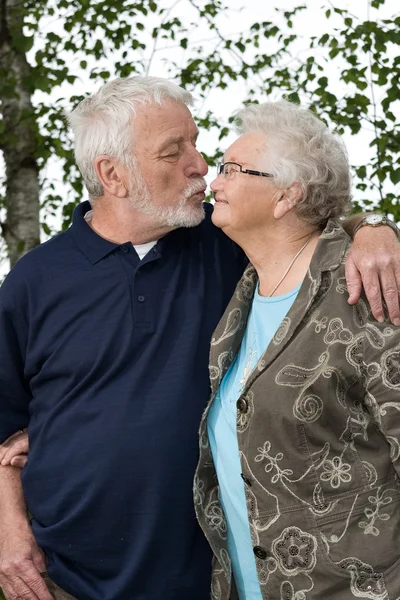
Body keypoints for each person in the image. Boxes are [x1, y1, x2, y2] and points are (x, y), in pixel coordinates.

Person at [0, 77, 398, 600]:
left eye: (197, 142)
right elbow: (5, 430)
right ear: (112, 174)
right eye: (175, 151)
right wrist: (9, 531)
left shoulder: (226, 243)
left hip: (212, 577)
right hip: (66, 581)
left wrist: (375, 227)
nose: (202, 164)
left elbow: (305, 221)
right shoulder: (33, 280)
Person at [193, 99, 400, 600]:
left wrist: (375, 228)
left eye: (231, 170)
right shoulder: (242, 295)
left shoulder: (365, 288)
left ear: (287, 195)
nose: (212, 182)